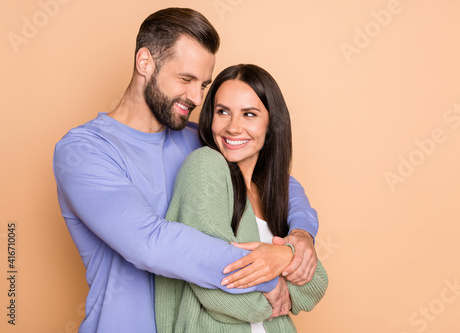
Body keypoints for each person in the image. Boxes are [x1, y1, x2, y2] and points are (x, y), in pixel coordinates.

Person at [52, 8, 319, 333]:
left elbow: (276, 181)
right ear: (145, 62)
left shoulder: (196, 140)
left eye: (204, 84)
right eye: (186, 79)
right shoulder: (84, 151)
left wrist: (299, 238)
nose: (196, 97)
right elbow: (151, 243)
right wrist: (265, 274)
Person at [155, 64, 328, 332]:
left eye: (249, 114)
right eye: (223, 112)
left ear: (271, 123)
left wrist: (284, 255)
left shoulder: (275, 190)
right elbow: (215, 286)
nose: (233, 127)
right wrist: (278, 295)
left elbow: (315, 284)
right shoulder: (204, 166)